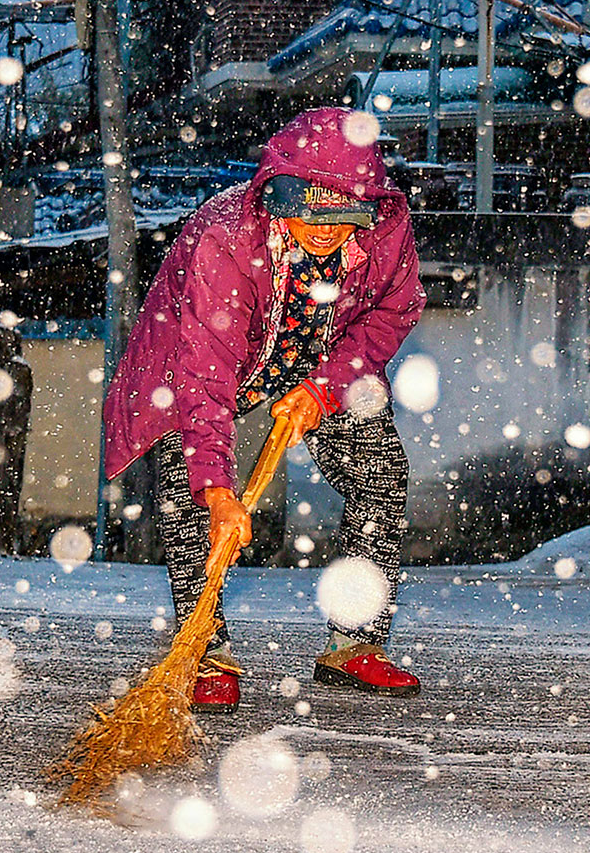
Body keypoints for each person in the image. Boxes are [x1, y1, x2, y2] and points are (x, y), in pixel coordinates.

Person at [101, 105, 426, 711]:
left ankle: (355, 641)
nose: (328, 229)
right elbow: (204, 376)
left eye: (347, 212)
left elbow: (393, 312)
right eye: (312, 209)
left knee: (379, 474)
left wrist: (328, 384)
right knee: (190, 486)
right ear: (279, 193)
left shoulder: (386, 230)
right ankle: (205, 648)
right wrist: (219, 490)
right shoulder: (224, 239)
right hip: (210, 354)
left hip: (320, 355)